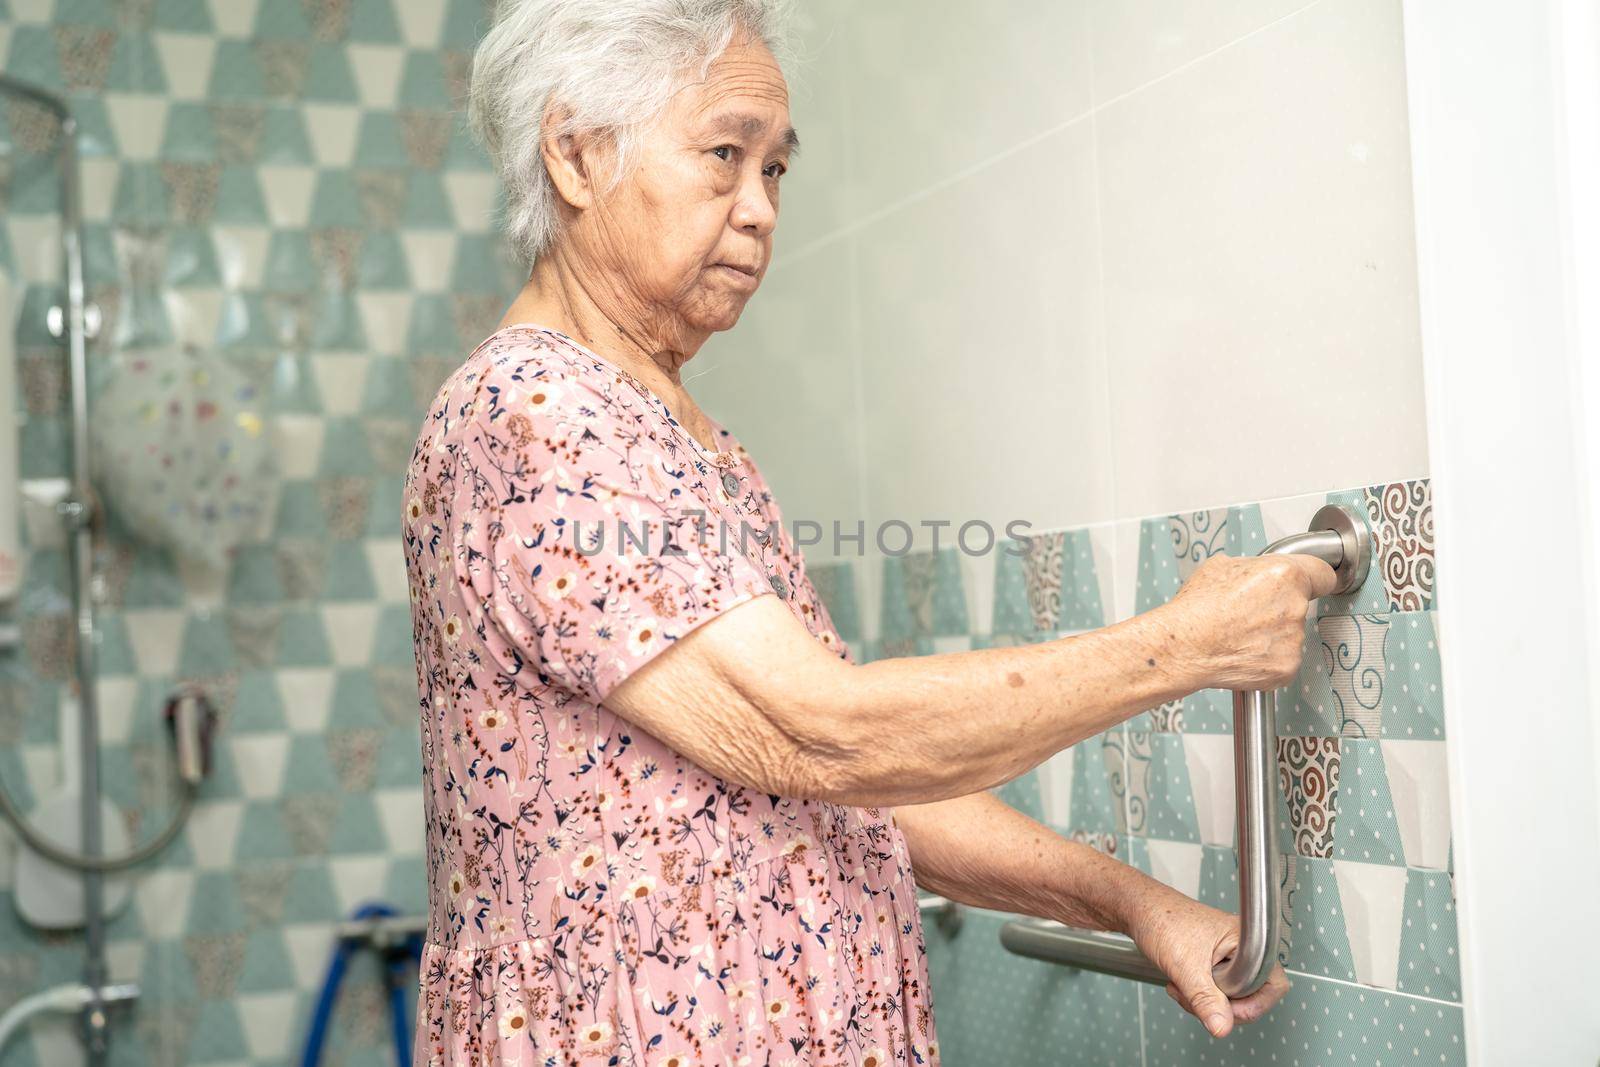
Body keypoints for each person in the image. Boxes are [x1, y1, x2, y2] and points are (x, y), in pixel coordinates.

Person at [402, 2, 1326, 1062]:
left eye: (775, 170)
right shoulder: (533, 415)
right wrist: (1189, 644)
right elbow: (820, 733)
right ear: (574, 154)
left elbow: (844, 786)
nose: (758, 209)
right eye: (722, 156)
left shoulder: (667, 428)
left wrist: (1127, 899)